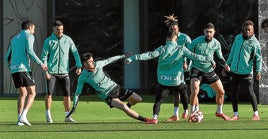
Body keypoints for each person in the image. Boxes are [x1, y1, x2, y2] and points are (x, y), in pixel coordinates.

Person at [125, 31, 212, 124]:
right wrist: (208, 59)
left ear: (167, 39)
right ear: (176, 40)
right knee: (183, 90)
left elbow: (149, 55)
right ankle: (186, 111)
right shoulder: (181, 48)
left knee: (158, 100)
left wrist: (132, 58)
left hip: (163, 81)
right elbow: (194, 56)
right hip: (176, 81)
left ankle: (155, 118)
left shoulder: (162, 48)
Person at [72, 52, 152, 123]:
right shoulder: (82, 77)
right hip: (108, 95)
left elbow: (110, 60)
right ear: (84, 64)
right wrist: (74, 106)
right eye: (90, 62)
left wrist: (123, 56)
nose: (93, 63)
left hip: (116, 88)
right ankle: (146, 120)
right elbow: (77, 93)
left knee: (138, 99)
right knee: (123, 107)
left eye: (92, 60)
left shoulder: (98, 64)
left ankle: (127, 108)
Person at [5, 20, 48, 126]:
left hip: (14, 70)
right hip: (23, 69)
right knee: (32, 93)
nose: (34, 31)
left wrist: (10, 68)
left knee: (23, 93)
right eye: (33, 29)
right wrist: (41, 63)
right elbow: (30, 50)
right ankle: (24, 116)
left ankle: (19, 119)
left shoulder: (14, 39)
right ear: (29, 28)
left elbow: (6, 57)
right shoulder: (28, 36)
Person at [187, 22, 230, 122]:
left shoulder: (216, 43)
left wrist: (226, 65)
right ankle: (192, 113)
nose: (208, 34)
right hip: (196, 69)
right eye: (207, 32)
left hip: (209, 70)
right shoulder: (197, 41)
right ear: (204, 32)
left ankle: (219, 112)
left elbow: (219, 57)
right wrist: (186, 62)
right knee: (195, 90)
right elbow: (187, 52)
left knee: (221, 91)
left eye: (210, 32)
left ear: (214, 32)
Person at [41, 20, 82, 123]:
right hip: (51, 72)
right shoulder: (48, 41)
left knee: (67, 94)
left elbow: (75, 53)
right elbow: (44, 57)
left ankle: (67, 116)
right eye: (58, 29)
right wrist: (45, 71)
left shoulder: (68, 40)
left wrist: (79, 66)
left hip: (64, 72)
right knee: (49, 93)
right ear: (53, 29)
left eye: (62, 29)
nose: (60, 31)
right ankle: (48, 115)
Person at [226, 20, 262, 121]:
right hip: (234, 71)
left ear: (253, 30)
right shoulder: (238, 38)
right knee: (234, 92)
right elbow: (232, 52)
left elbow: (258, 59)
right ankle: (235, 115)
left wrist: (258, 71)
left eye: (249, 30)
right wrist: (227, 65)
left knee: (251, 92)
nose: (247, 32)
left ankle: (256, 114)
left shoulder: (255, 43)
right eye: (245, 29)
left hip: (247, 72)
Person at [164, 14, 192, 121]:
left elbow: (191, 51)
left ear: (178, 28)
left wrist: (186, 62)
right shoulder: (169, 38)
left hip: (186, 69)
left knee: (191, 90)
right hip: (175, 69)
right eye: (171, 29)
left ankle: (191, 112)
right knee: (176, 91)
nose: (173, 31)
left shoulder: (185, 38)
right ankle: (176, 114)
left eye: (175, 29)